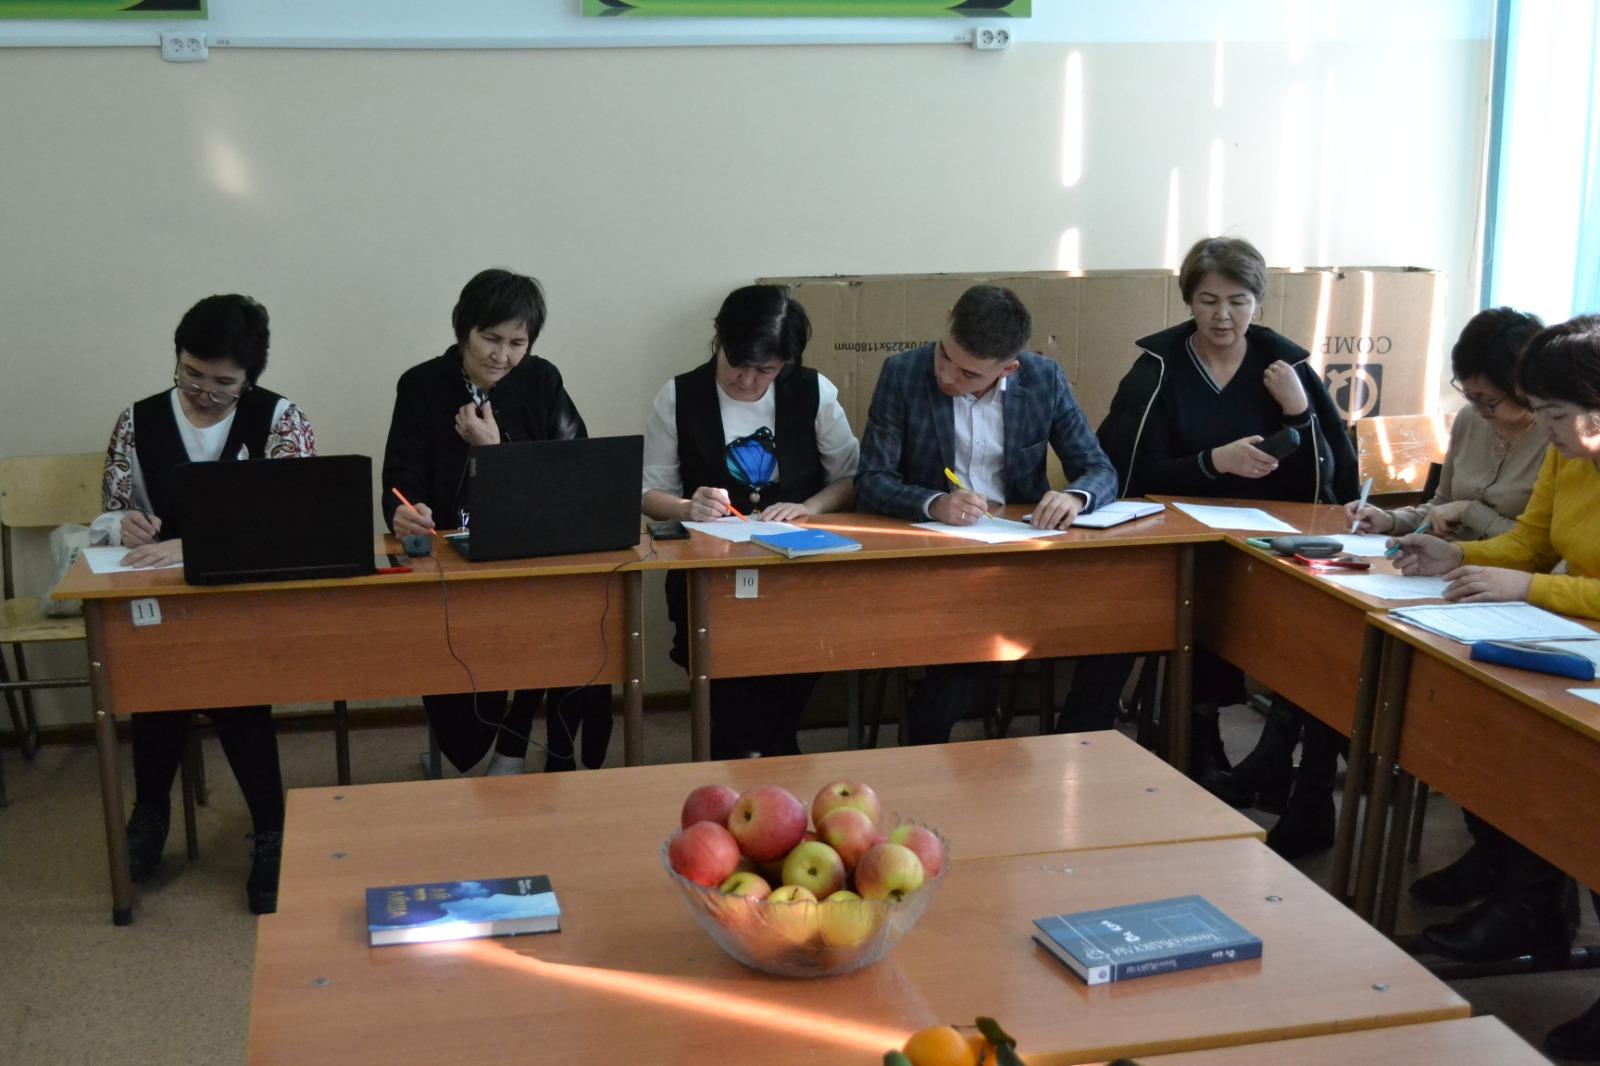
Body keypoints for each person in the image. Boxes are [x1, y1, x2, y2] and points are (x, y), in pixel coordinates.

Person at [1090, 235, 1360, 857]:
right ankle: (1201, 741)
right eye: (1208, 301)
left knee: (1314, 629)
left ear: (1257, 303)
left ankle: (1283, 763)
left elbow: (1330, 486)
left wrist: (1298, 416)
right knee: (1197, 597)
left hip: (1269, 543)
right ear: (1189, 301)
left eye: (1238, 302)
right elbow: (1125, 468)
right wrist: (1213, 463)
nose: (1223, 316)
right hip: (1179, 538)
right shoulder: (1160, 367)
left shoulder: (1284, 368)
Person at [1392, 315, 1600, 1059]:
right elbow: (1530, 544)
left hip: (1580, 645)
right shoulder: (1568, 458)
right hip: (1576, 651)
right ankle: (1529, 904)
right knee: (1515, 743)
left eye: (1553, 414)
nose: (1543, 429)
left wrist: (1534, 588)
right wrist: (1457, 557)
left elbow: (1538, 575)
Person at [95, 294, 312, 914]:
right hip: (162, 600)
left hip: (244, 602)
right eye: (191, 374)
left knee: (235, 685)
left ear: (249, 379)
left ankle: (270, 829)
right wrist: (123, 526)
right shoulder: (137, 421)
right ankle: (150, 814)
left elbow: (298, 520)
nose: (204, 393)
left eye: (223, 383)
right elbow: (108, 514)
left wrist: (193, 546)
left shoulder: (280, 420)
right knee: (157, 680)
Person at [1344, 308, 1546, 914]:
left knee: (1492, 723)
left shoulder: (1561, 437)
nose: (1481, 412)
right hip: (1452, 583)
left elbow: (1542, 548)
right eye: (1471, 397)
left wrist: (1471, 518)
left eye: (1492, 401)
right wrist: (1391, 520)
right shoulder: (1470, 423)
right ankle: (1489, 852)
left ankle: (1517, 880)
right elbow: (1440, 504)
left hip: (1513, 594)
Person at [856, 283, 1118, 744]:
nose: (947, 376)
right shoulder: (903, 373)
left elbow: (1099, 469)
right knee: (968, 655)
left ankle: (1079, 744)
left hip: (1022, 555)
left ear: (1009, 368)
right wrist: (934, 503)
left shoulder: (1044, 379)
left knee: (1117, 624)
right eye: (944, 355)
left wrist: (1075, 497)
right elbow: (871, 479)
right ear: (948, 319)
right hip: (936, 559)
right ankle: (921, 751)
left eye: (969, 374)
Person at [381, 268, 612, 776]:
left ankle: (525, 739)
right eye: (490, 338)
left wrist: (494, 451)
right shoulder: (421, 385)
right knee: (462, 706)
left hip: (531, 551)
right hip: (451, 560)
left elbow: (574, 475)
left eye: (516, 343)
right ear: (464, 330)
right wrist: (406, 510)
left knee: (572, 614)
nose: (501, 356)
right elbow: (399, 478)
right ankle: (500, 740)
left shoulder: (542, 380)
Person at [641, 285, 859, 758]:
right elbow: (649, 494)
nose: (746, 380)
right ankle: (758, 756)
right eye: (737, 364)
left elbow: (851, 478)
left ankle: (764, 754)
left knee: (802, 656)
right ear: (719, 340)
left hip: (799, 565)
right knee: (728, 679)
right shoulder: (679, 395)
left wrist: (812, 506)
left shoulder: (813, 391)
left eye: (766, 370)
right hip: (713, 571)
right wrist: (687, 507)